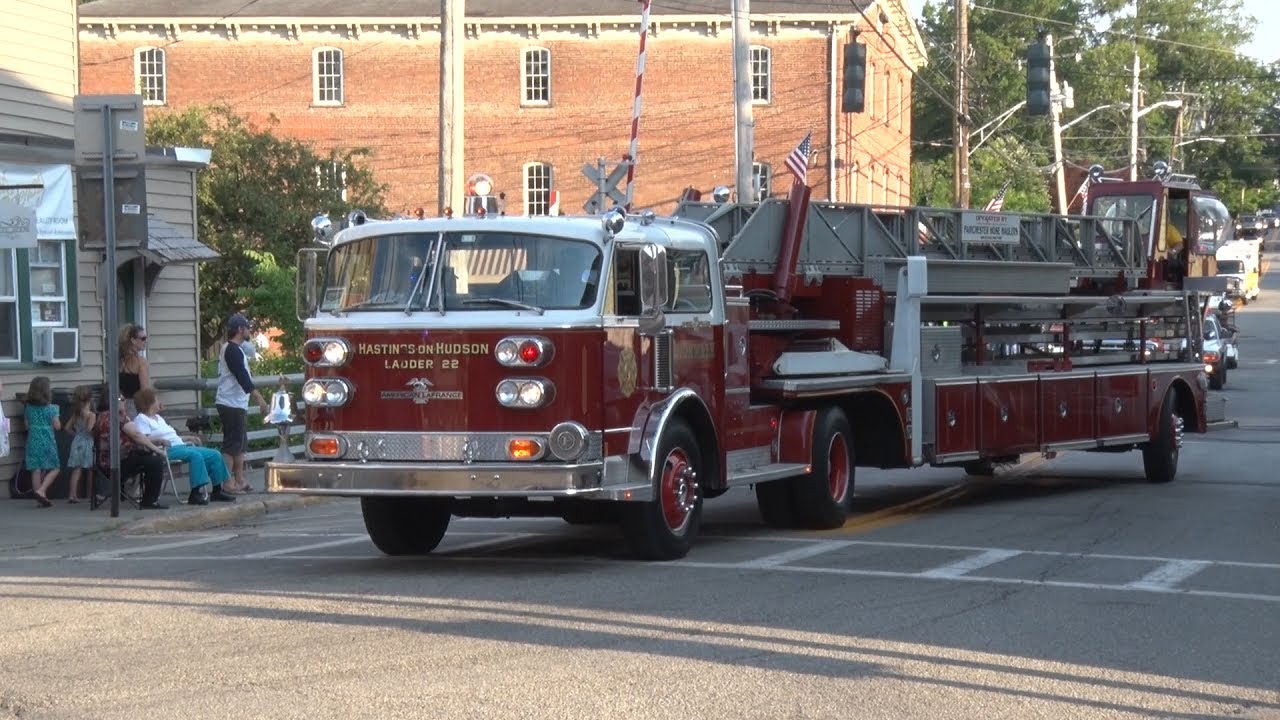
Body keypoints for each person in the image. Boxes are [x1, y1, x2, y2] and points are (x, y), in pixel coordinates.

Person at [131, 387, 235, 505]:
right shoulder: (141, 419)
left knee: (214, 454)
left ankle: (217, 491)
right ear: (149, 402)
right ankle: (195, 494)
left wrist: (188, 438)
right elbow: (144, 439)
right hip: (166, 450)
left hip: (181, 446)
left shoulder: (158, 418)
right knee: (195, 455)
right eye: (156, 399)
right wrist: (160, 440)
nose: (159, 401)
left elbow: (173, 437)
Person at [216, 313, 269, 493]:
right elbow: (242, 377)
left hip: (236, 403)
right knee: (231, 445)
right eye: (247, 327)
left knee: (239, 445)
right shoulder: (231, 350)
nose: (249, 331)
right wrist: (259, 398)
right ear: (240, 329)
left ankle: (240, 480)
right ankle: (227, 482)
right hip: (230, 403)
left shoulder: (235, 349)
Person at [95, 396, 168, 510]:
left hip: (103, 464)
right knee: (155, 461)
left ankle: (127, 492)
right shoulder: (118, 416)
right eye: (121, 399)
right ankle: (149, 501)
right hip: (119, 463)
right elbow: (137, 435)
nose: (124, 402)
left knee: (146, 456)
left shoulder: (99, 417)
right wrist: (158, 450)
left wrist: (155, 441)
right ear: (114, 401)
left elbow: (134, 437)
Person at [23, 376, 61, 508]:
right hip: (47, 440)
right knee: (55, 467)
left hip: (33, 439)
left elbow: (26, 426)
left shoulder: (28, 407)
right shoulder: (52, 408)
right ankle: (42, 490)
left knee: (36, 469)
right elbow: (57, 426)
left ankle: (40, 499)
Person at [64, 385, 96, 504]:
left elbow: (66, 428)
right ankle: (89, 495)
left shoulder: (76, 414)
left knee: (76, 469)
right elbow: (89, 429)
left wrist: (76, 435)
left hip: (76, 442)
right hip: (87, 443)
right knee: (90, 469)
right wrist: (94, 434)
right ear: (90, 399)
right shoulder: (91, 415)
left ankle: (72, 495)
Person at [118, 323, 152, 414]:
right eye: (143, 338)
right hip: (136, 407)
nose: (146, 341)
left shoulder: (120, 361)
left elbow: (118, 389)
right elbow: (145, 390)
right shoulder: (141, 362)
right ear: (133, 340)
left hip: (121, 406)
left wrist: (120, 400)